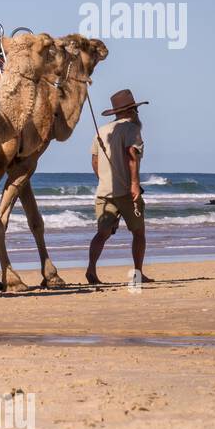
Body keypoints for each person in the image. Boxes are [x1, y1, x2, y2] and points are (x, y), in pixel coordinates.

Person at [85, 89, 153, 285]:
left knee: (102, 233)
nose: (137, 114)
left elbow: (95, 161)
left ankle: (91, 270)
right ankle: (138, 274)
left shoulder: (102, 130)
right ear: (132, 111)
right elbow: (132, 156)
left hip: (104, 191)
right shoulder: (132, 129)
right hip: (126, 192)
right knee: (138, 233)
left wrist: (105, 179)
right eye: (136, 110)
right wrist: (134, 184)